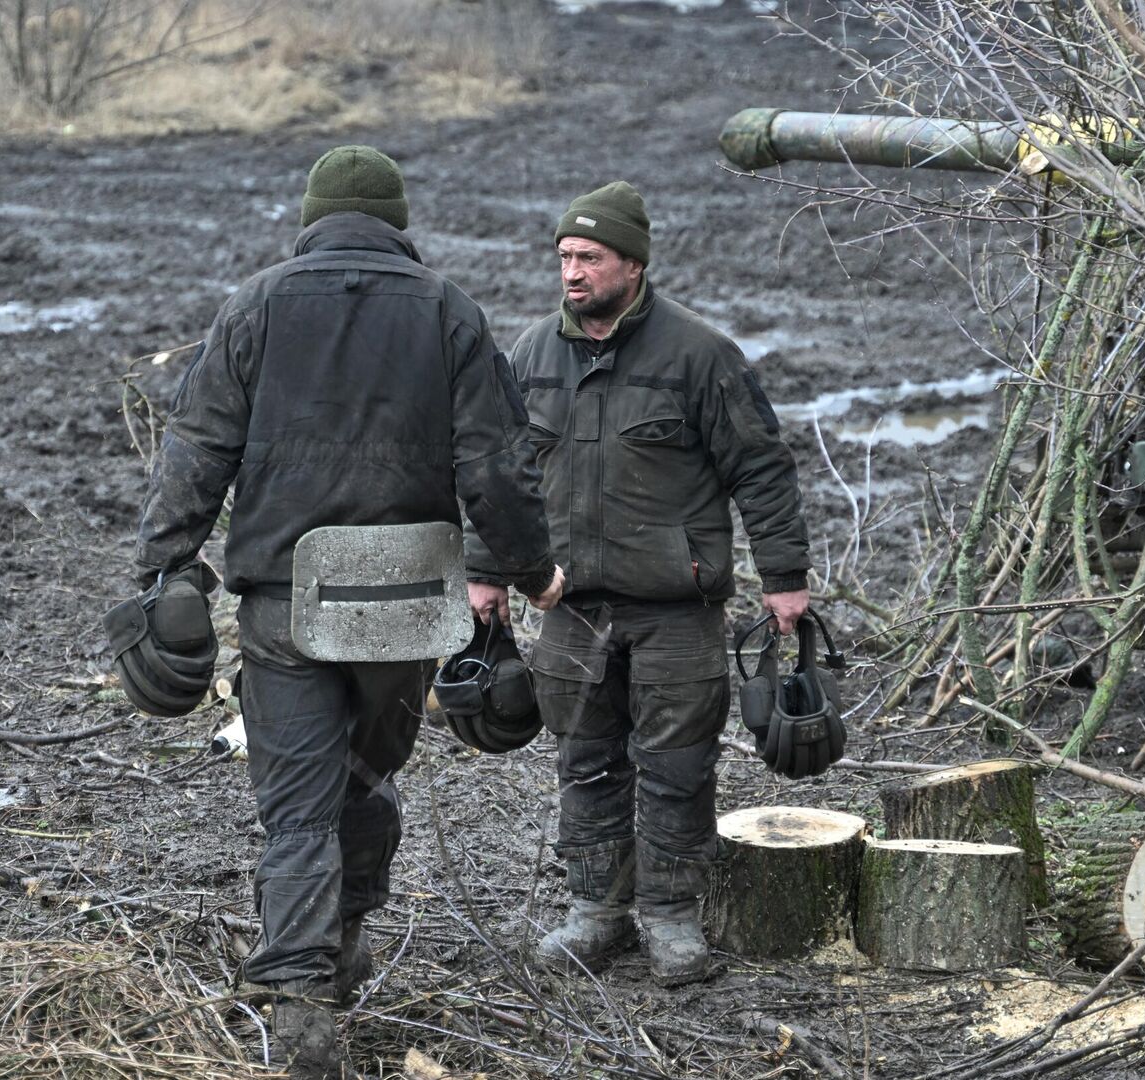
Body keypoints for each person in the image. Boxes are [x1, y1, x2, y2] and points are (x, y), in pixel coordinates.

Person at [126, 145, 564, 1075]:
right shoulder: (449, 310)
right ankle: (350, 933)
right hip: (407, 601)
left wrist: (167, 564)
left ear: (312, 216)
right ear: (397, 222)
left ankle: (300, 1005)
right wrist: (531, 571)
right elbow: (496, 465)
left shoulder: (257, 303)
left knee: (296, 808)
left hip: (286, 600)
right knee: (365, 775)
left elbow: (197, 447)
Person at [464, 180, 811, 986]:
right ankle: (596, 913)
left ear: (633, 263)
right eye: (564, 257)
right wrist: (487, 573)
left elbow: (762, 469)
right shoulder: (528, 356)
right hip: (568, 604)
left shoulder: (700, 354)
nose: (572, 272)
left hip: (676, 608)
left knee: (677, 765)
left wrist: (784, 578)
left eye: (589, 257)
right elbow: (497, 476)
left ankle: (669, 918)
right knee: (583, 760)